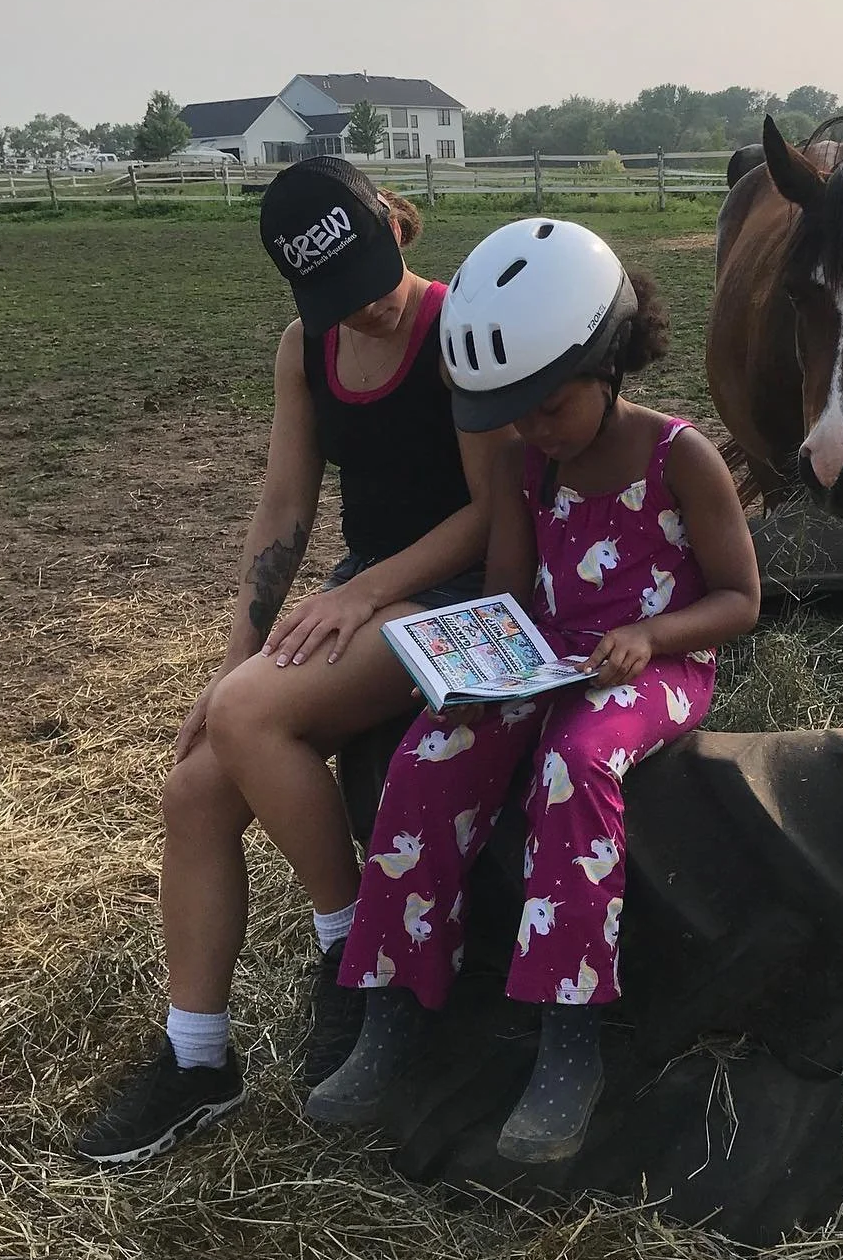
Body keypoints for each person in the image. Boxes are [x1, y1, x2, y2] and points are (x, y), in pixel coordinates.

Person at [77, 158, 509, 1165]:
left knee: (251, 718)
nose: (357, 311)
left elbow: (495, 512)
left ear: (395, 232)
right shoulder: (304, 349)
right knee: (193, 786)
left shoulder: (455, 330)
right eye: (331, 296)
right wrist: (229, 666)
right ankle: (197, 1060)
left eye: (366, 281)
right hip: (367, 587)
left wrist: (359, 592)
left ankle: (352, 949)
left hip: (459, 597)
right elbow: (284, 510)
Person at [305, 217, 761, 1162]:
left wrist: (649, 634)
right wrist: (470, 666)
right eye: (514, 413)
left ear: (609, 363)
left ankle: (569, 1039)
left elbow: (740, 600)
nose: (531, 429)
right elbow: (514, 595)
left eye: (549, 405)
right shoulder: (522, 465)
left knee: (577, 762)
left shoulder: (681, 458)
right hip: (550, 653)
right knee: (430, 754)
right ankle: (391, 1007)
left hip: (657, 665)